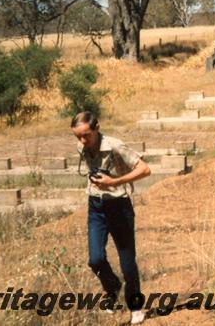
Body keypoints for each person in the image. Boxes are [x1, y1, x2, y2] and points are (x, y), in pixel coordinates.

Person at [71, 111, 152, 325]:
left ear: (97, 127)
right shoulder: (82, 147)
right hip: (96, 207)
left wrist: (115, 182)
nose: (82, 141)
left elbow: (145, 169)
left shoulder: (115, 145)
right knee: (95, 259)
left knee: (127, 262)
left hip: (119, 207)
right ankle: (113, 287)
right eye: (77, 136)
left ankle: (136, 306)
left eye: (86, 135)